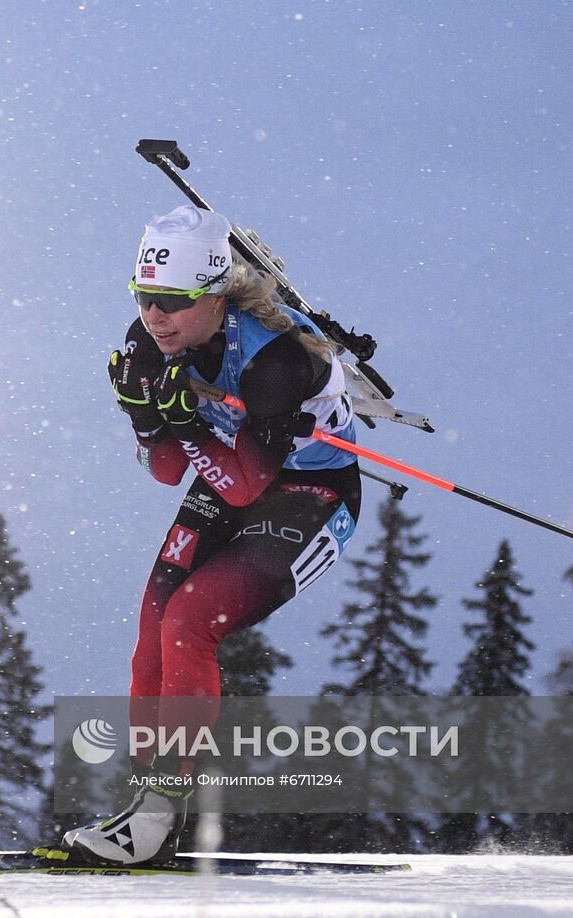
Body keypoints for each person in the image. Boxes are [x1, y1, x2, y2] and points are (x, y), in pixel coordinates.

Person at [61, 204, 362, 865]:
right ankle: (148, 810)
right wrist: (147, 420)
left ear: (217, 294)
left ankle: (157, 819)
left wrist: (187, 424)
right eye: (143, 298)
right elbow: (170, 472)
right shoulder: (149, 341)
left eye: (172, 300)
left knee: (191, 620)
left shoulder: (275, 362)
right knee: (154, 624)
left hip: (310, 493)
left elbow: (247, 487)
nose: (154, 317)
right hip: (223, 472)